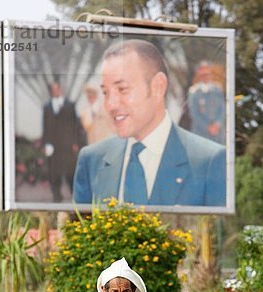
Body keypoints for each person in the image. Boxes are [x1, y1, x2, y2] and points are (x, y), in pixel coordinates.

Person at [73, 40, 226, 207]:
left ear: (158, 87)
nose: (110, 104)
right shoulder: (91, 160)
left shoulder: (209, 160)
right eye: (105, 92)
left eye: (122, 89)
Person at [42, 80, 82, 202]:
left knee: (70, 172)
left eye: (57, 89)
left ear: (60, 89)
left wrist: (76, 142)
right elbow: (45, 126)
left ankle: (75, 197)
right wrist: (45, 143)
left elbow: (76, 125)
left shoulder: (70, 105)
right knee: (54, 173)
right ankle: (57, 197)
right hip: (53, 146)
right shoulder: (47, 107)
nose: (55, 91)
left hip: (67, 145)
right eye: (53, 89)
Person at [188, 61, 226, 144]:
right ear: (199, 76)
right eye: (203, 75)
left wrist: (217, 124)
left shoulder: (217, 90)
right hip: (200, 133)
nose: (206, 77)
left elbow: (222, 109)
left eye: (208, 74)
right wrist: (208, 127)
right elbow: (194, 113)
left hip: (218, 134)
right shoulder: (194, 92)